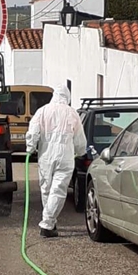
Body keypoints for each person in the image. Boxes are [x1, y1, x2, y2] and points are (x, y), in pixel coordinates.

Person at [26, 85, 86, 238]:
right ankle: (48, 223)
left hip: (46, 155)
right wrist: (81, 151)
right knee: (58, 190)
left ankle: (48, 222)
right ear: (67, 97)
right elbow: (79, 137)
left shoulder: (42, 111)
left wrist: (30, 147)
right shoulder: (72, 113)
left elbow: (33, 131)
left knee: (46, 189)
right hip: (65, 156)